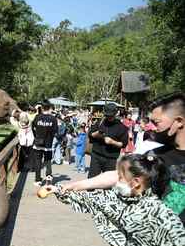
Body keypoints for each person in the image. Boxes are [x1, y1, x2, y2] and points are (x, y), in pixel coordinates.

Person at [42, 153, 185, 246]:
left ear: (135, 182)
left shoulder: (160, 214)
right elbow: (92, 199)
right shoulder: (119, 199)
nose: (117, 182)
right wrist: (58, 190)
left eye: (121, 178)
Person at [61, 92, 185, 223]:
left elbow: (123, 145)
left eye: (156, 122)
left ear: (178, 122)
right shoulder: (155, 156)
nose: (151, 127)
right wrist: (74, 186)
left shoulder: (122, 129)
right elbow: (120, 175)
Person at [87, 103, 129, 178]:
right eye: (107, 115)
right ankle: (90, 190)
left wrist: (112, 142)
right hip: (96, 155)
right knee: (91, 178)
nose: (109, 117)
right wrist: (97, 134)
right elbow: (90, 134)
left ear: (116, 114)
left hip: (111, 158)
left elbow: (123, 144)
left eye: (111, 116)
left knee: (108, 182)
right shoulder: (100, 122)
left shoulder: (122, 127)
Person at [32, 101, 57, 186]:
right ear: (49, 108)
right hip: (48, 144)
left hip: (38, 143)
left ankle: (37, 180)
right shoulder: (53, 119)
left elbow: (33, 128)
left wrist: (37, 136)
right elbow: (55, 131)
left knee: (38, 162)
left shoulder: (37, 117)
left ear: (42, 108)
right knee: (48, 162)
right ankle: (49, 181)